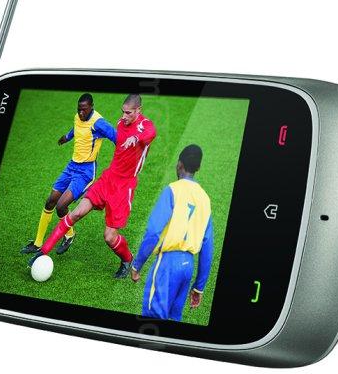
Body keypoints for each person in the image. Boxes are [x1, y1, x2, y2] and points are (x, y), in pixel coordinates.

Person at [30, 93, 157, 278]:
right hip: (108, 178)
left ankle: (127, 259)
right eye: (122, 112)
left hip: (124, 186)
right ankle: (43, 250)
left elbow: (150, 134)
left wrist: (136, 138)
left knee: (109, 237)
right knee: (76, 213)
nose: (123, 116)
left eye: (128, 113)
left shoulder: (145, 125)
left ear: (139, 110)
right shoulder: (121, 123)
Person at [21, 93, 116, 255]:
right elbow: (77, 128)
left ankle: (69, 235)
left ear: (91, 107)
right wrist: (67, 137)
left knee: (61, 206)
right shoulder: (78, 117)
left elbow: (117, 137)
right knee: (50, 201)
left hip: (86, 172)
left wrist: (123, 160)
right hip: (71, 166)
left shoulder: (99, 123)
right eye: (79, 109)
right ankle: (38, 243)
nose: (81, 113)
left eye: (84, 110)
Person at [131, 144, 213, 321]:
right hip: (187, 267)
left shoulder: (172, 190)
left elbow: (153, 232)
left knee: (152, 319)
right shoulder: (205, 199)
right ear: (198, 167)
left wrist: (137, 265)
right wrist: (199, 287)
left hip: (167, 265)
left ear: (179, 164)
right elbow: (207, 248)